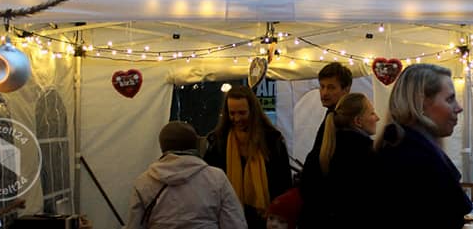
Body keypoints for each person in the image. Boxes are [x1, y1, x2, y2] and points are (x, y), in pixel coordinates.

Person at [373, 63, 472, 229]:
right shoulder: (415, 159)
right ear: (420, 103)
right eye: (450, 99)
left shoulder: (399, 146)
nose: (459, 108)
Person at [126, 120, 247, 229]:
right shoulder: (216, 178)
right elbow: (235, 223)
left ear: (162, 146)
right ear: (194, 145)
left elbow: (134, 225)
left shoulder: (144, 181)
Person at [204, 85, 292, 229]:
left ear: (253, 111)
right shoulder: (218, 142)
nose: (237, 118)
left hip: (265, 219)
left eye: (242, 113)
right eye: (232, 113)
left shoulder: (272, 140)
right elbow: (209, 182)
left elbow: (284, 182)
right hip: (229, 217)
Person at [301, 92, 379, 227]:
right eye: (372, 113)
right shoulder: (370, 154)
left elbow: (308, 198)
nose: (377, 118)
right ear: (358, 121)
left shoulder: (319, 153)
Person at [297, 62, 352, 227]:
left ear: (346, 89)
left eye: (331, 87)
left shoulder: (343, 121)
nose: (324, 93)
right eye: (322, 87)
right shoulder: (331, 115)